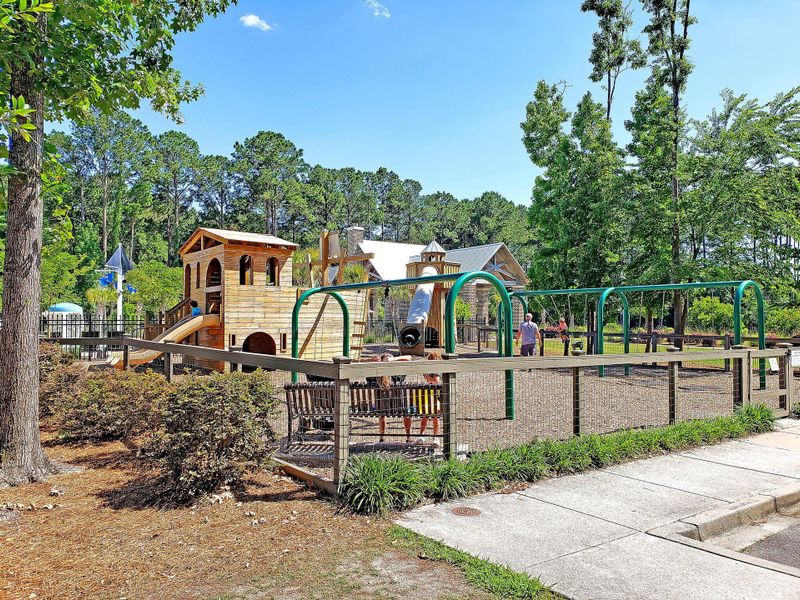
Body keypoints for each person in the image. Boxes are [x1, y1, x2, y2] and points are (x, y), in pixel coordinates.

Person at [418, 351, 442, 439]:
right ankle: (431, 436)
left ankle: (426, 436)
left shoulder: (435, 370)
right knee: (428, 417)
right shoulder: (436, 368)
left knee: (431, 417)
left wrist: (427, 377)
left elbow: (436, 381)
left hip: (435, 395)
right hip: (431, 395)